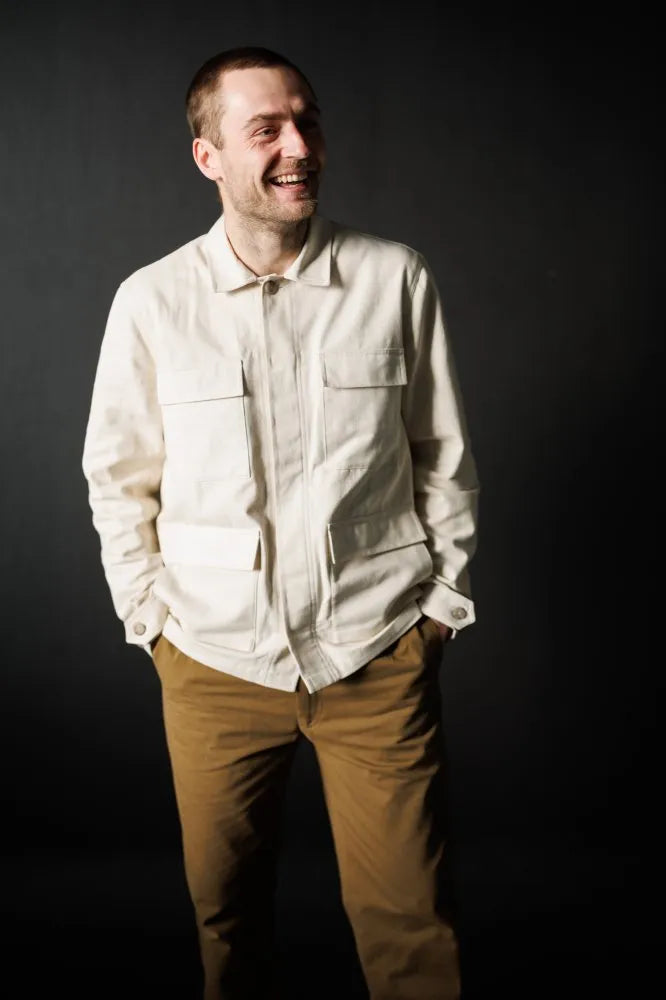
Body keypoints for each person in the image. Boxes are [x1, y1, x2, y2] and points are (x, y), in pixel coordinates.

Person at [82, 45, 479, 1000]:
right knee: (227, 921)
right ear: (208, 155)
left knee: (412, 926)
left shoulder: (395, 278)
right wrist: (153, 624)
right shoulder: (151, 302)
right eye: (266, 128)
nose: (299, 146)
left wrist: (439, 607)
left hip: (377, 651)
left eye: (306, 121)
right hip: (213, 662)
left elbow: (444, 453)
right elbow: (118, 478)